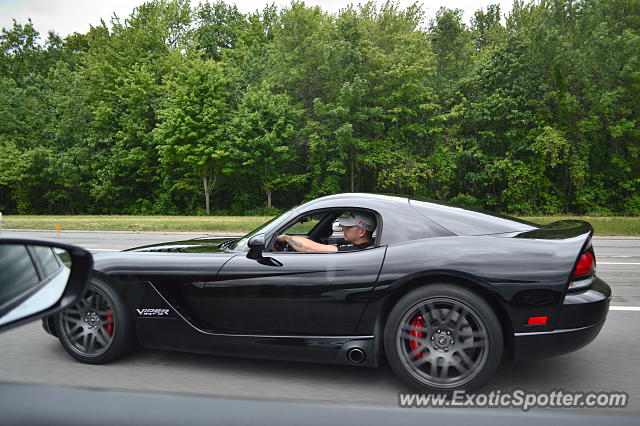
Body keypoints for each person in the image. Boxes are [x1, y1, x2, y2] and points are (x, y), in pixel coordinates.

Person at [275, 212, 375, 253]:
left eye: (348, 226)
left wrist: (286, 238)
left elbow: (310, 248)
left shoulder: (358, 250)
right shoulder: (368, 247)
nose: (344, 228)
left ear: (362, 232)